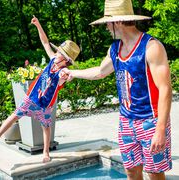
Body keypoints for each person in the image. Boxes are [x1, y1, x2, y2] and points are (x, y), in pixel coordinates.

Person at [64, 0, 172, 179]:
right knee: (131, 171)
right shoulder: (115, 49)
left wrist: (160, 129)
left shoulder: (151, 47)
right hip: (126, 122)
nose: (106, 27)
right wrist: (72, 73)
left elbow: (165, 89)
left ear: (118, 22)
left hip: (151, 121)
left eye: (107, 23)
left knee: (154, 174)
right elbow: (100, 72)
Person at [0, 16, 80, 163]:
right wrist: (38, 25)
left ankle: (45, 152)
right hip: (31, 98)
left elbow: (66, 76)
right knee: (14, 116)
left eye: (61, 53)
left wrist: (68, 77)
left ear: (66, 60)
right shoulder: (52, 60)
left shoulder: (62, 72)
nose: (57, 53)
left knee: (46, 127)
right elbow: (44, 41)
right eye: (58, 51)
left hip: (45, 106)